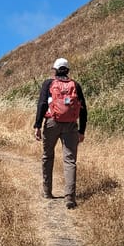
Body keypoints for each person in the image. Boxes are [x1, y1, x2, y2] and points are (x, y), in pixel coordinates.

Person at [33, 57, 87, 209]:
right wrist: (81, 130)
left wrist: (37, 125)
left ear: (55, 70)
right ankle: (70, 197)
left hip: (51, 123)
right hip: (71, 125)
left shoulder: (48, 83)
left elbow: (42, 104)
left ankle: (47, 191)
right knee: (70, 161)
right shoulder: (75, 85)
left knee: (47, 156)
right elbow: (83, 109)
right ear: (68, 70)